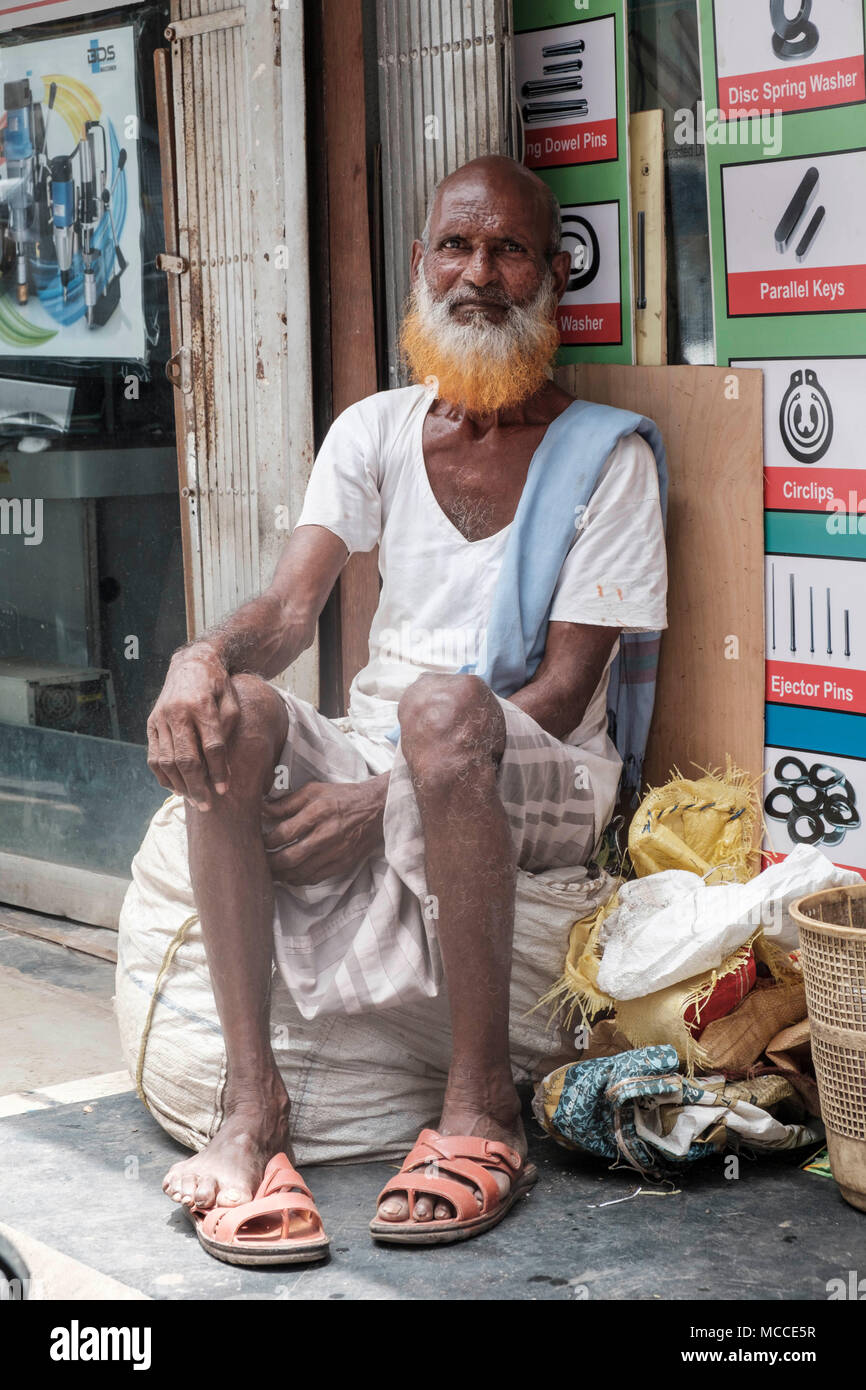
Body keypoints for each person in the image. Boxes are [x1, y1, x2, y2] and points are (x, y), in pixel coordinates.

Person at [145, 154, 667, 1256]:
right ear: (420, 265)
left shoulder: (604, 460)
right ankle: (252, 1105)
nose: (478, 273)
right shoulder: (374, 429)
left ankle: (478, 1111)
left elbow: (564, 692)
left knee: (441, 710)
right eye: (454, 246)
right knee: (236, 711)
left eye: (508, 249)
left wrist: (380, 801)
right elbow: (290, 609)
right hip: (398, 740)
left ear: (549, 280)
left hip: (536, 765)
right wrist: (198, 657)